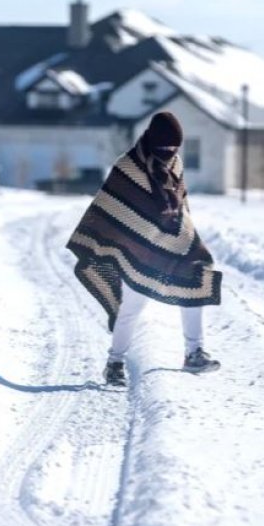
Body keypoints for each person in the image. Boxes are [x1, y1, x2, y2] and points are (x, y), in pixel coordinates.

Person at [66, 112, 222, 387]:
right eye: (165, 147)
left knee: (195, 285)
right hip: (138, 249)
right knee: (131, 309)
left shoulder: (175, 163)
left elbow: (180, 205)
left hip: (174, 245)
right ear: (152, 141)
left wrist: (184, 235)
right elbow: (112, 207)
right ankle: (115, 362)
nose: (169, 152)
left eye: (174, 148)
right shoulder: (128, 166)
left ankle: (194, 353)